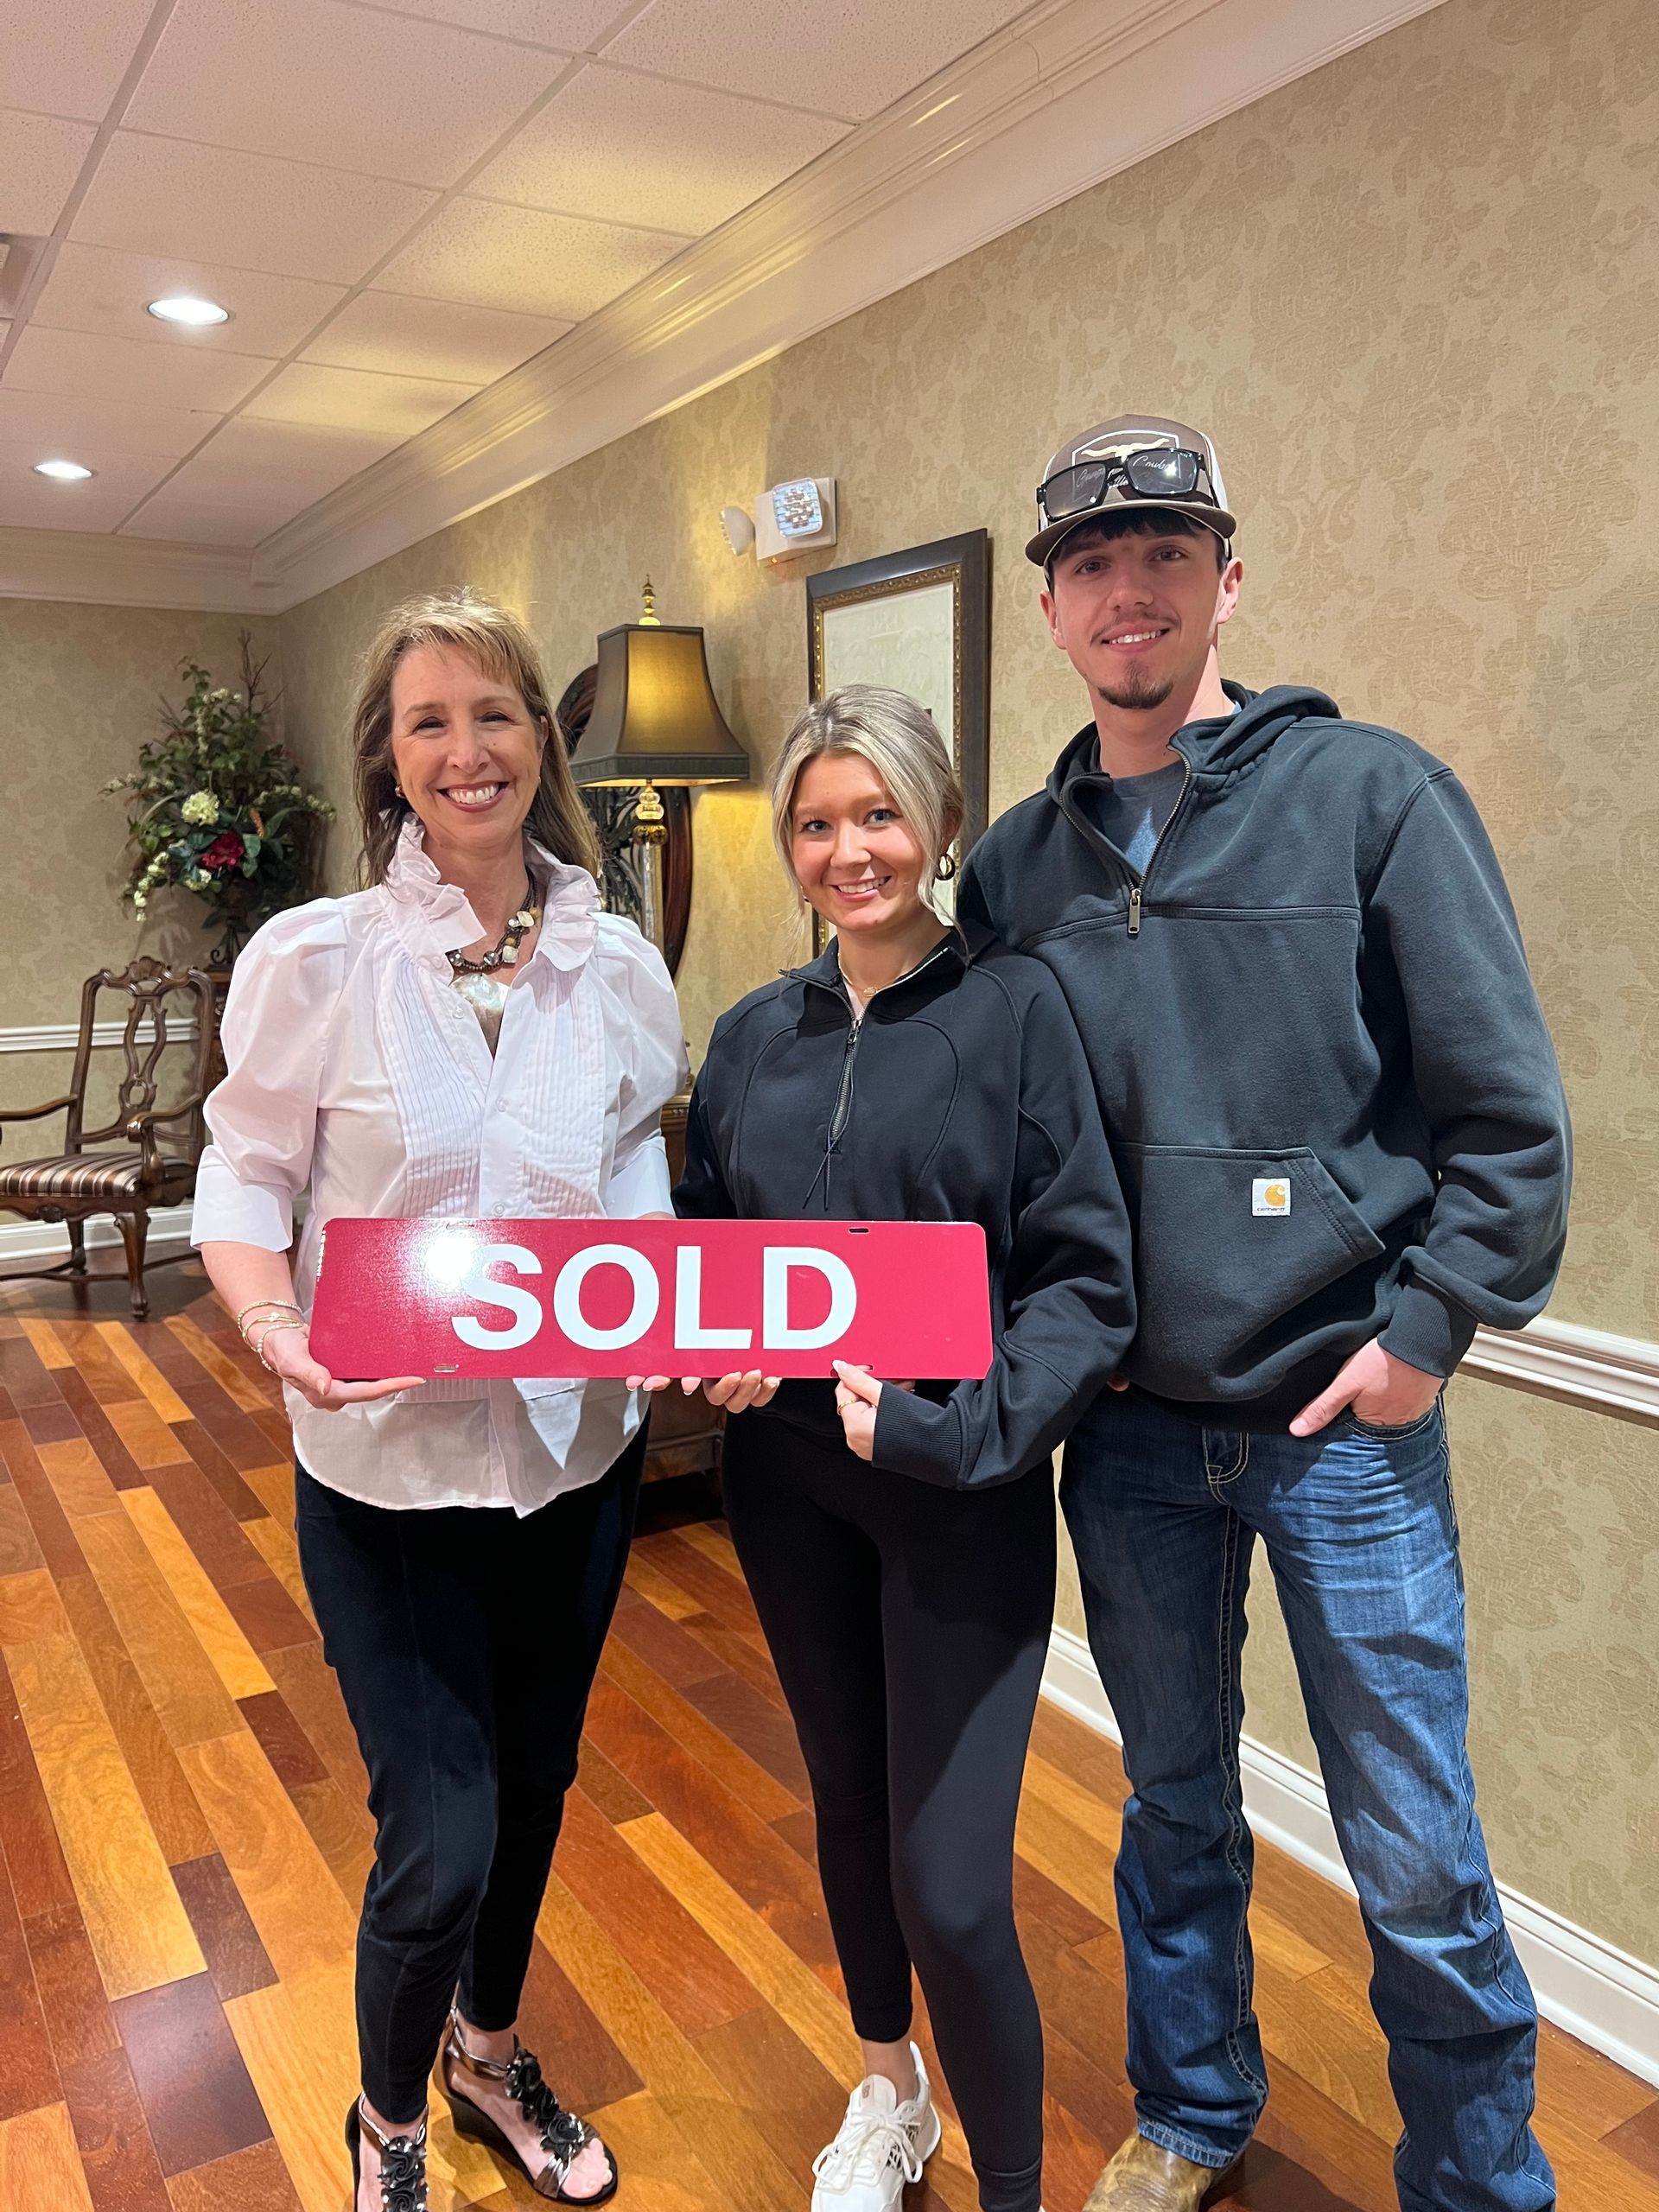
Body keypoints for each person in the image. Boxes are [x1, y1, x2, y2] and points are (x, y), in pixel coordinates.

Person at [958, 416, 1571, 2212]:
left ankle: (1480, 2181)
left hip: (1341, 1426)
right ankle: (1195, 2108)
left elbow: (1508, 1117)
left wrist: (1425, 1334)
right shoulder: (1013, 870)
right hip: (1131, 1431)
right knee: (1172, 1808)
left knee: (1419, 1851)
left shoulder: (1375, 793)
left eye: (1166, 552)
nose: (1128, 590)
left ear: (1228, 578)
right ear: (1055, 608)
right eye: (1092, 563)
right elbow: (996, 1146)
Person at [192, 589, 685, 2212]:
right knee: (442, 1840)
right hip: (386, 1471)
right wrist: (276, 1331)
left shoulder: (613, 965)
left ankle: (487, 2054)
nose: (466, 750)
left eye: (495, 715)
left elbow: (631, 1183)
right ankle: (388, 2122)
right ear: (387, 763)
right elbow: (246, 1178)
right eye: (428, 723)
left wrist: (689, 1313)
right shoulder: (316, 962)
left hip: (573, 1456)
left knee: (536, 1789)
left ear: (541, 739)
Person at [655, 686, 1135, 2212]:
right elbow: (710, 1245)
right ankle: (888, 2095)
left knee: (953, 1887)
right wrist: (712, 1347)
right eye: (816, 822)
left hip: (957, 1496)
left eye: (877, 816)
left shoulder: (1018, 1009)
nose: (847, 850)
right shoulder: (749, 1036)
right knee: (848, 1813)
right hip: (786, 1486)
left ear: (934, 824)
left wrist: (956, 1424)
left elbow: (1086, 1281)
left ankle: (1011, 2189)